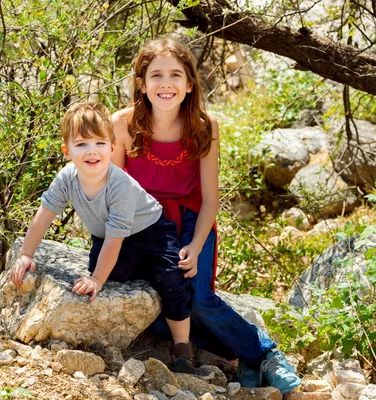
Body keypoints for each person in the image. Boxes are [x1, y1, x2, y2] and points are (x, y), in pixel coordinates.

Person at [111, 38, 301, 394]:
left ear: (189, 84)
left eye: (175, 74)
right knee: (158, 309)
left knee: (197, 298)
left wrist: (196, 246)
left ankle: (264, 353)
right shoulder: (122, 124)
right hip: (143, 224)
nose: (165, 83)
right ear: (141, 83)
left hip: (190, 219)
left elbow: (211, 197)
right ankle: (240, 355)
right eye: (156, 75)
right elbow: (114, 192)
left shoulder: (203, 125)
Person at [9, 102, 197, 373]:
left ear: (112, 147)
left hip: (152, 231)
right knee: (111, 270)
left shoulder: (119, 184)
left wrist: (96, 279)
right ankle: (143, 271)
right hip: (110, 236)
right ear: (67, 151)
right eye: (82, 144)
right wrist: (26, 254)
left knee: (170, 278)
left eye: (99, 143)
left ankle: (182, 346)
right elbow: (44, 215)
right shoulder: (66, 179)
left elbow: (115, 239)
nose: (92, 151)